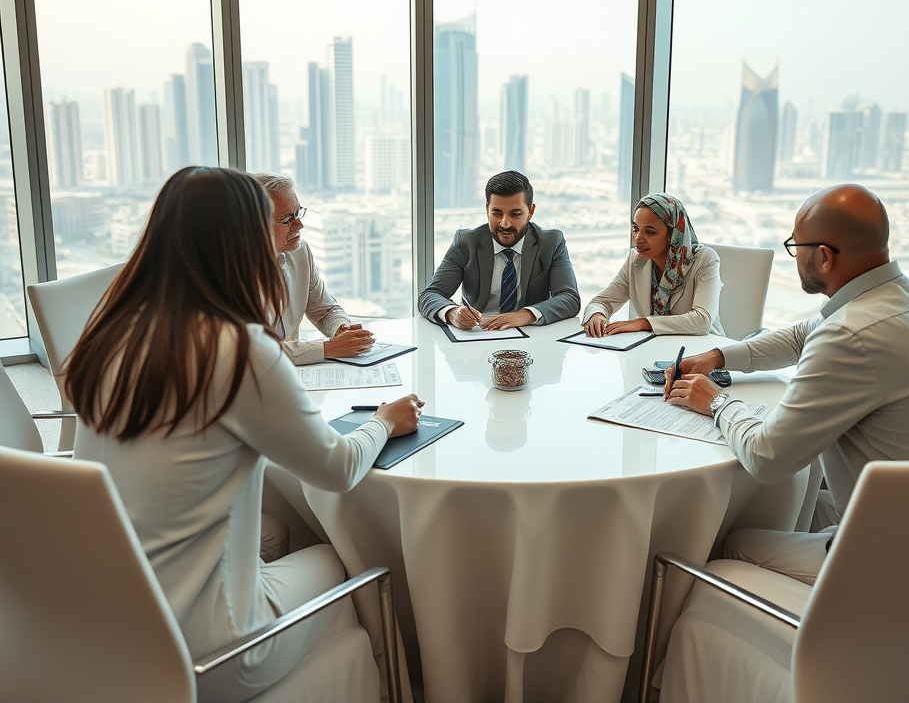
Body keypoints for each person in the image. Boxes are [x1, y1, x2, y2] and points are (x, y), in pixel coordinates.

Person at [65, 167, 423, 702]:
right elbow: (339, 469)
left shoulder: (111, 335)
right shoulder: (238, 351)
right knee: (335, 557)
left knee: (275, 530)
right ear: (241, 242)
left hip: (109, 626)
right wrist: (385, 421)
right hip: (213, 653)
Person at [665, 183, 909, 583]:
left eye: (796, 246)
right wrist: (720, 356)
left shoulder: (849, 336)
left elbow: (767, 458)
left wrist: (716, 402)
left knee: (732, 543)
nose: (794, 256)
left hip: (907, 567)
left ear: (823, 257)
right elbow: (799, 335)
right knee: (808, 506)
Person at [418, 170, 581, 330]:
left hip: (530, 334)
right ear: (487, 209)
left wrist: (524, 315)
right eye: (497, 213)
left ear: (530, 211)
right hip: (477, 337)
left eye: (515, 214)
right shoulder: (466, 242)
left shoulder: (551, 242)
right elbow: (429, 295)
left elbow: (570, 299)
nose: (505, 224)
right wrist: (453, 313)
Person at [253, 172, 374, 365]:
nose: (299, 225)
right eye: (287, 219)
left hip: (295, 375)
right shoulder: (232, 272)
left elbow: (325, 310)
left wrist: (341, 329)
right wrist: (329, 349)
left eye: (299, 213)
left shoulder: (300, 252)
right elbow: (253, 351)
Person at [582, 193, 724, 337]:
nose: (638, 238)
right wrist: (597, 315)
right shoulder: (634, 261)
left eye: (650, 232)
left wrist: (643, 323)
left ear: (672, 234)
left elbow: (702, 321)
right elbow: (602, 301)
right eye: (636, 229)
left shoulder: (704, 259)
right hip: (655, 348)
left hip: (704, 350)